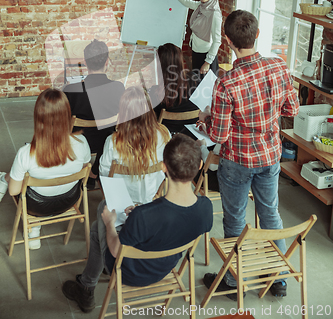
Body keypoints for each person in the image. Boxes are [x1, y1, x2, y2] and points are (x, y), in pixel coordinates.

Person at [198, 10, 299, 299]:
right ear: (257, 34)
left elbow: (218, 135)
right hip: (270, 157)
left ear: (228, 41)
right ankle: (279, 277)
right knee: (270, 213)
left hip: (237, 162)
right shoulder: (279, 67)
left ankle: (232, 278)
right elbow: (291, 110)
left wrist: (205, 117)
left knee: (235, 219)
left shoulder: (226, 83)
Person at [62, 133, 213, 313]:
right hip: (165, 267)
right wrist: (142, 212)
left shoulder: (144, 215)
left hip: (129, 273)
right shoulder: (206, 208)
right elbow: (174, 222)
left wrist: (110, 223)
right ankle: (87, 283)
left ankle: (86, 286)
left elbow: (116, 250)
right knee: (96, 230)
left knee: (102, 215)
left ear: (163, 167)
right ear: (200, 165)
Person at [0, 88, 91, 249]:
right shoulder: (82, 143)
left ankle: (34, 228)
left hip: (36, 207)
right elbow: (83, 171)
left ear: (38, 117)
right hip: (69, 201)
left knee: (24, 187)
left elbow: (14, 192)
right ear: (67, 114)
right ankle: (4, 178)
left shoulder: (26, 153)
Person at [63, 39, 125, 188]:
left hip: (76, 143)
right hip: (107, 143)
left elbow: (62, 123)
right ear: (107, 62)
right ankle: (94, 172)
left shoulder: (70, 91)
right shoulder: (118, 88)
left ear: (84, 62)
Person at [99, 86, 171, 205]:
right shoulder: (164, 134)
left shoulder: (113, 141)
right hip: (152, 197)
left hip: (121, 202)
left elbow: (104, 173)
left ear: (123, 112)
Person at [164, 0, 222, 75]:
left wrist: (207, 63)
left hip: (206, 56)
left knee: (206, 88)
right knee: (196, 86)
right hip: (196, 52)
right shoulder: (200, 6)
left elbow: (217, 41)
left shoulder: (215, 14)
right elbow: (186, 1)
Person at [149, 43, 200, 134]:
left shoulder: (156, 92)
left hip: (168, 139)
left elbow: (153, 121)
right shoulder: (195, 80)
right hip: (193, 137)